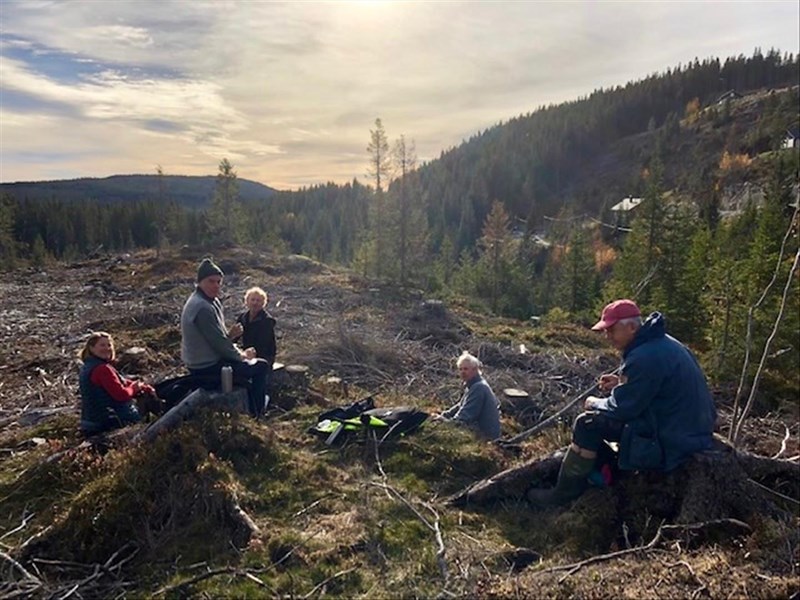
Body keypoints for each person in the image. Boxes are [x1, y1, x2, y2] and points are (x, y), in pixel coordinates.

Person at [528, 299, 717, 508]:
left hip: (672, 439)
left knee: (587, 423)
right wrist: (622, 384)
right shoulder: (664, 343)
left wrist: (595, 402)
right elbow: (658, 387)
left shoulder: (644, 356)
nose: (607, 336)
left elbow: (623, 409)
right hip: (692, 430)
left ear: (632, 327)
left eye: (611, 330)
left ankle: (563, 495)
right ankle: (604, 473)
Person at [180, 258, 270, 417]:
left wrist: (232, 341)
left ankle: (254, 405)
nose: (216, 285)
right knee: (261, 366)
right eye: (211, 281)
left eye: (218, 282)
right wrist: (241, 356)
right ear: (200, 282)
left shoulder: (210, 301)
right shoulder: (202, 307)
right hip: (205, 367)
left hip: (210, 359)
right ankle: (258, 413)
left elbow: (220, 339)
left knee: (251, 367)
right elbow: (219, 344)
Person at [78, 331, 153, 436]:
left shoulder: (87, 366)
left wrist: (141, 386)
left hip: (90, 421)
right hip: (110, 421)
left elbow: (119, 381)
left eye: (109, 345)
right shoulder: (102, 369)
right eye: (102, 345)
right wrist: (134, 388)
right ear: (91, 348)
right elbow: (121, 395)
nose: (107, 348)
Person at [435, 351, 501, 440]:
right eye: (460, 369)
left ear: (475, 370)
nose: (462, 372)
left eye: (466, 369)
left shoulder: (479, 387)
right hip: (482, 433)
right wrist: (443, 415)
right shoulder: (473, 385)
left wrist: (447, 422)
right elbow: (460, 406)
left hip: (486, 436)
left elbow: (466, 416)